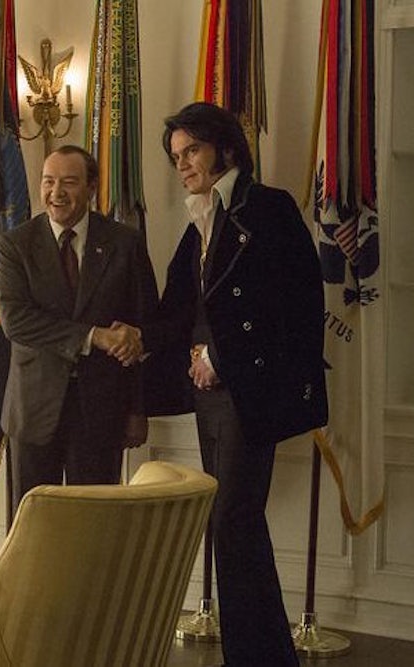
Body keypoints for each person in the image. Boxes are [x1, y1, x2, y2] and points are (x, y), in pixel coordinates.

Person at [137, 102, 328, 666]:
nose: (182, 165)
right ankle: (262, 656)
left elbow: (290, 302)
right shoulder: (199, 220)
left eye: (191, 150)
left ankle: (256, 657)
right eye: (176, 156)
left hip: (249, 387)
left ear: (224, 147)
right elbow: (181, 308)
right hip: (212, 397)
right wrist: (135, 338)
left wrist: (218, 357)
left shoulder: (266, 207)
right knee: (233, 524)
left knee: (234, 520)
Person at [0, 145, 157, 519]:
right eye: (48, 181)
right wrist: (94, 336)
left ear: (92, 187)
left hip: (102, 411)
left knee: (96, 525)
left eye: (68, 182)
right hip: (33, 412)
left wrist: (137, 408)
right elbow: (16, 321)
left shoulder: (124, 242)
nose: (56, 192)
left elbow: (142, 328)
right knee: (31, 528)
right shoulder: (14, 245)